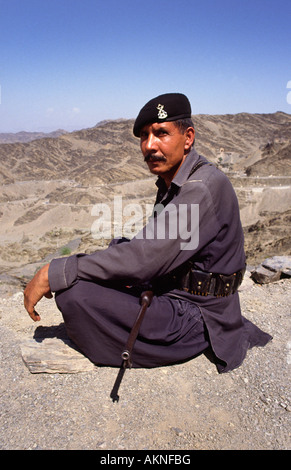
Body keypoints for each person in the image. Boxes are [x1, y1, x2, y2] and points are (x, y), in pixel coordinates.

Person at [24, 93, 272, 373]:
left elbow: (144, 259)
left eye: (161, 134)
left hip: (196, 314)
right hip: (172, 289)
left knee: (74, 293)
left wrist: (55, 271)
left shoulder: (200, 188)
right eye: (144, 136)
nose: (149, 146)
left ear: (188, 138)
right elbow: (153, 247)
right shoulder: (174, 182)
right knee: (108, 257)